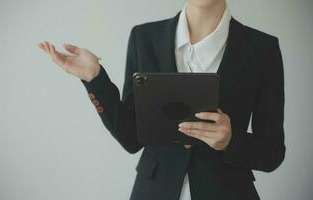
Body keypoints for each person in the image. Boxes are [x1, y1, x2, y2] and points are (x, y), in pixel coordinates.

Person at [38, 0, 285, 199]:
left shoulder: (263, 49)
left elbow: (272, 152)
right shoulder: (143, 37)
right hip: (153, 191)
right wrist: (95, 78)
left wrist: (231, 141)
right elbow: (132, 138)